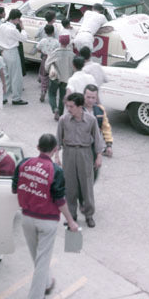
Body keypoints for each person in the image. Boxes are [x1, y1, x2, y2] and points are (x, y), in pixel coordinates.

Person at [11, 134, 81, 299]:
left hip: (27, 217)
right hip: (47, 220)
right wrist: (71, 221)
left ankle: (47, 282)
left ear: (37, 147)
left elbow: (14, 188)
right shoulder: (55, 171)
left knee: (37, 255)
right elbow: (60, 200)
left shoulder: (23, 164)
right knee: (42, 258)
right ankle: (35, 297)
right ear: (55, 149)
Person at [57, 93, 104, 229]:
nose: (69, 109)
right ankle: (72, 215)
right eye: (67, 106)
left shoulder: (91, 120)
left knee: (86, 185)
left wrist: (99, 156)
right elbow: (58, 139)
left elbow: (97, 139)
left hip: (85, 153)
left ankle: (89, 215)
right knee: (70, 186)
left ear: (79, 107)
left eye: (71, 106)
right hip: (69, 153)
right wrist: (56, 156)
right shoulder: (63, 120)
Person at [0, 9, 30, 105]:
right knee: (16, 76)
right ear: (16, 19)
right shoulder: (13, 29)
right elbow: (24, 38)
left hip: (3, 52)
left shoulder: (2, 26)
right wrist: (22, 28)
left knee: (6, 76)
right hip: (12, 52)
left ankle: (3, 97)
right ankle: (16, 98)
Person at [46, 34, 75, 118]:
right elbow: (74, 68)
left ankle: (55, 109)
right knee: (62, 96)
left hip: (55, 77)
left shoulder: (55, 52)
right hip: (66, 79)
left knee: (52, 94)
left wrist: (49, 71)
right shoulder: (72, 54)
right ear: (68, 42)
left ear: (59, 41)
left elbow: (47, 64)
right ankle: (60, 113)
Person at [83, 84, 113, 162]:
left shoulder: (100, 110)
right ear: (84, 96)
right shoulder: (78, 109)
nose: (90, 100)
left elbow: (106, 128)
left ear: (96, 98)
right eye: (88, 97)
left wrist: (109, 145)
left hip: (94, 147)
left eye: (93, 98)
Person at [34, 24, 60, 103]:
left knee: (44, 76)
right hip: (53, 60)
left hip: (45, 59)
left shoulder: (43, 41)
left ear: (45, 32)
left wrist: (43, 51)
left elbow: (37, 48)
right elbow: (58, 51)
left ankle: (43, 91)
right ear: (53, 32)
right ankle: (52, 93)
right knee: (53, 77)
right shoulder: (56, 42)